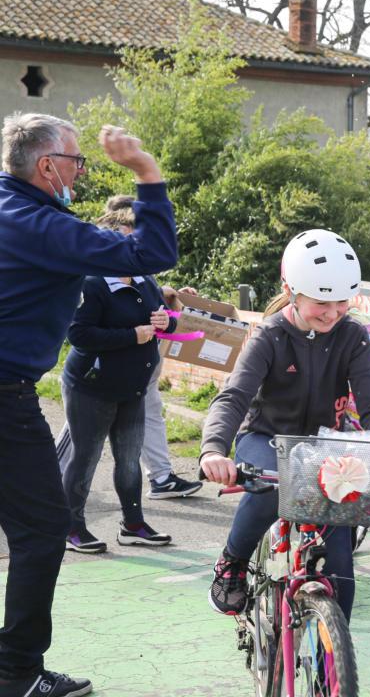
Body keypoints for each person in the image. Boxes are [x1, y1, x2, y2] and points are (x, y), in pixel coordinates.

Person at [0, 115, 177, 697]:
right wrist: (145, 171)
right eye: (76, 161)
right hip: (5, 394)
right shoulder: (38, 224)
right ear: (47, 165)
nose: (81, 171)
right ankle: (17, 674)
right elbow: (152, 250)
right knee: (42, 531)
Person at [200, 229, 370, 623]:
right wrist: (213, 450)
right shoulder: (269, 336)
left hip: (325, 447)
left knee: (341, 566)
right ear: (291, 290)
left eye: (342, 301)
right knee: (272, 490)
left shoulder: (354, 338)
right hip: (266, 438)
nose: (333, 313)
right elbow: (234, 397)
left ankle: (335, 653)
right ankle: (233, 560)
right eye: (321, 302)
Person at [57, 208, 177, 554]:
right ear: (106, 245)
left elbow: (167, 318)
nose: (136, 248)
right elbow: (78, 334)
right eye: (128, 241)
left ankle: (133, 525)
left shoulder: (144, 279)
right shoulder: (90, 283)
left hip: (132, 387)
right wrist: (132, 336)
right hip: (91, 387)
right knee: (85, 458)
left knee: (129, 459)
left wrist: (166, 322)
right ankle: (71, 528)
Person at [102, 193, 202, 500]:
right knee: (85, 428)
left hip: (143, 363)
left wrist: (170, 297)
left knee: (150, 414)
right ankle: (56, 479)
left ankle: (161, 478)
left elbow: (149, 299)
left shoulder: (137, 260)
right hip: (111, 364)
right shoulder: (104, 262)